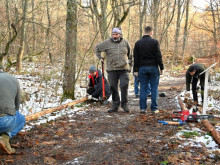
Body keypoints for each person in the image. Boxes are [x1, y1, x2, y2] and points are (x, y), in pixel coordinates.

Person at [95, 27, 131, 113]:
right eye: (113, 34)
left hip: (124, 69)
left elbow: (130, 54)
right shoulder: (107, 43)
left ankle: (124, 104)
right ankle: (115, 105)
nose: (114, 36)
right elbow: (97, 48)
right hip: (112, 69)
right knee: (113, 87)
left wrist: (130, 65)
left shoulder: (125, 42)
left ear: (120, 35)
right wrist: (100, 58)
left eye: (116, 34)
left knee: (124, 85)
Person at [133, 26, 164, 114]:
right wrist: (161, 67)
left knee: (143, 88)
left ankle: (142, 108)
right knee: (154, 88)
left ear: (144, 32)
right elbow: (158, 55)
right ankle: (154, 108)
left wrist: (135, 69)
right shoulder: (154, 42)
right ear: (151, 33)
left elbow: (136, 58)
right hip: (153, 67)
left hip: (142, 68)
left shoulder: (138, 43)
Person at [0, 64, 25, 154]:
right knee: (21, 119)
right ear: (3, 69)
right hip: (5, 122)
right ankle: (5, 137)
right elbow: (17, 105)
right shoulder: (13, 79)